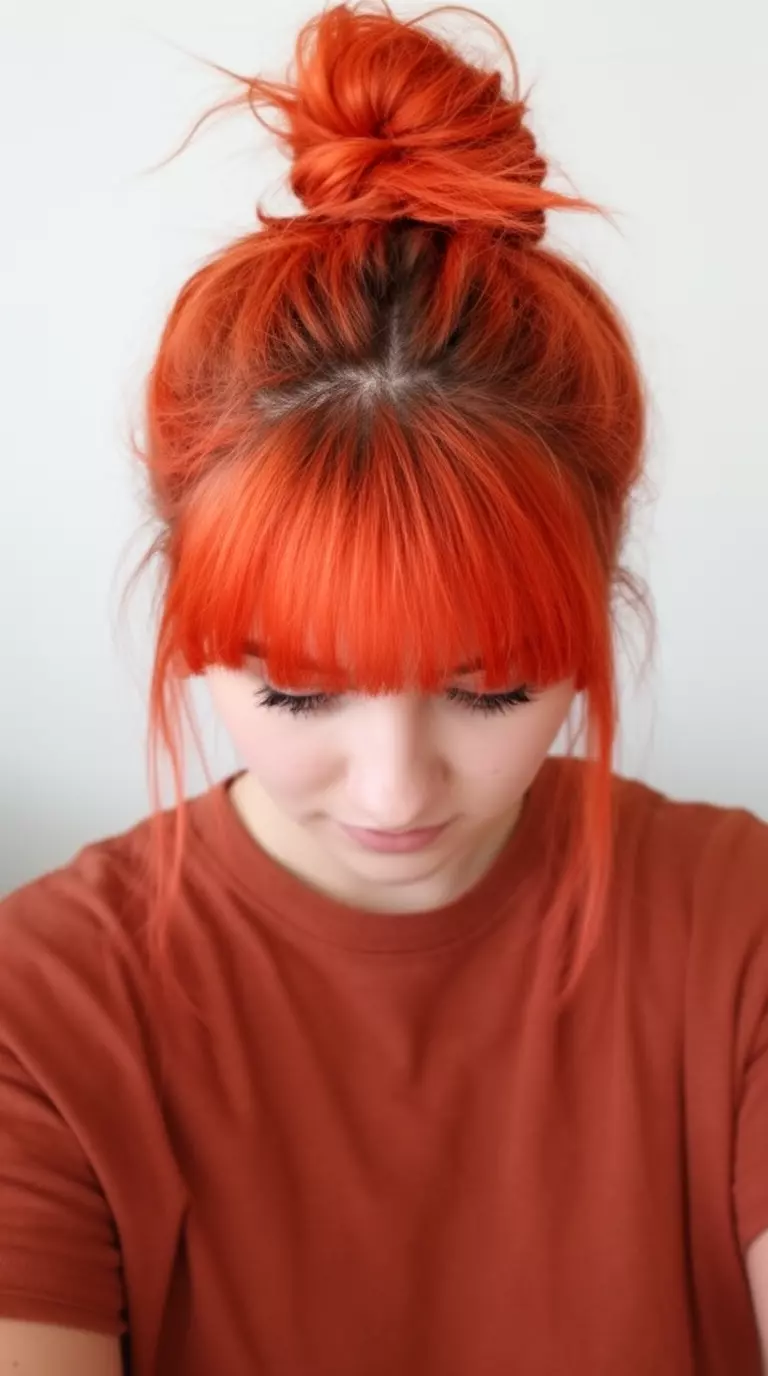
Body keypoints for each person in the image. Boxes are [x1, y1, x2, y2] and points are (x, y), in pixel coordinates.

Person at [1, 2, 767, 1372]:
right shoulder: (40, 1013)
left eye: (494, 691)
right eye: (300, 694)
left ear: (598, 607)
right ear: (188, 618)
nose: (396, 791)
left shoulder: (741, 931)